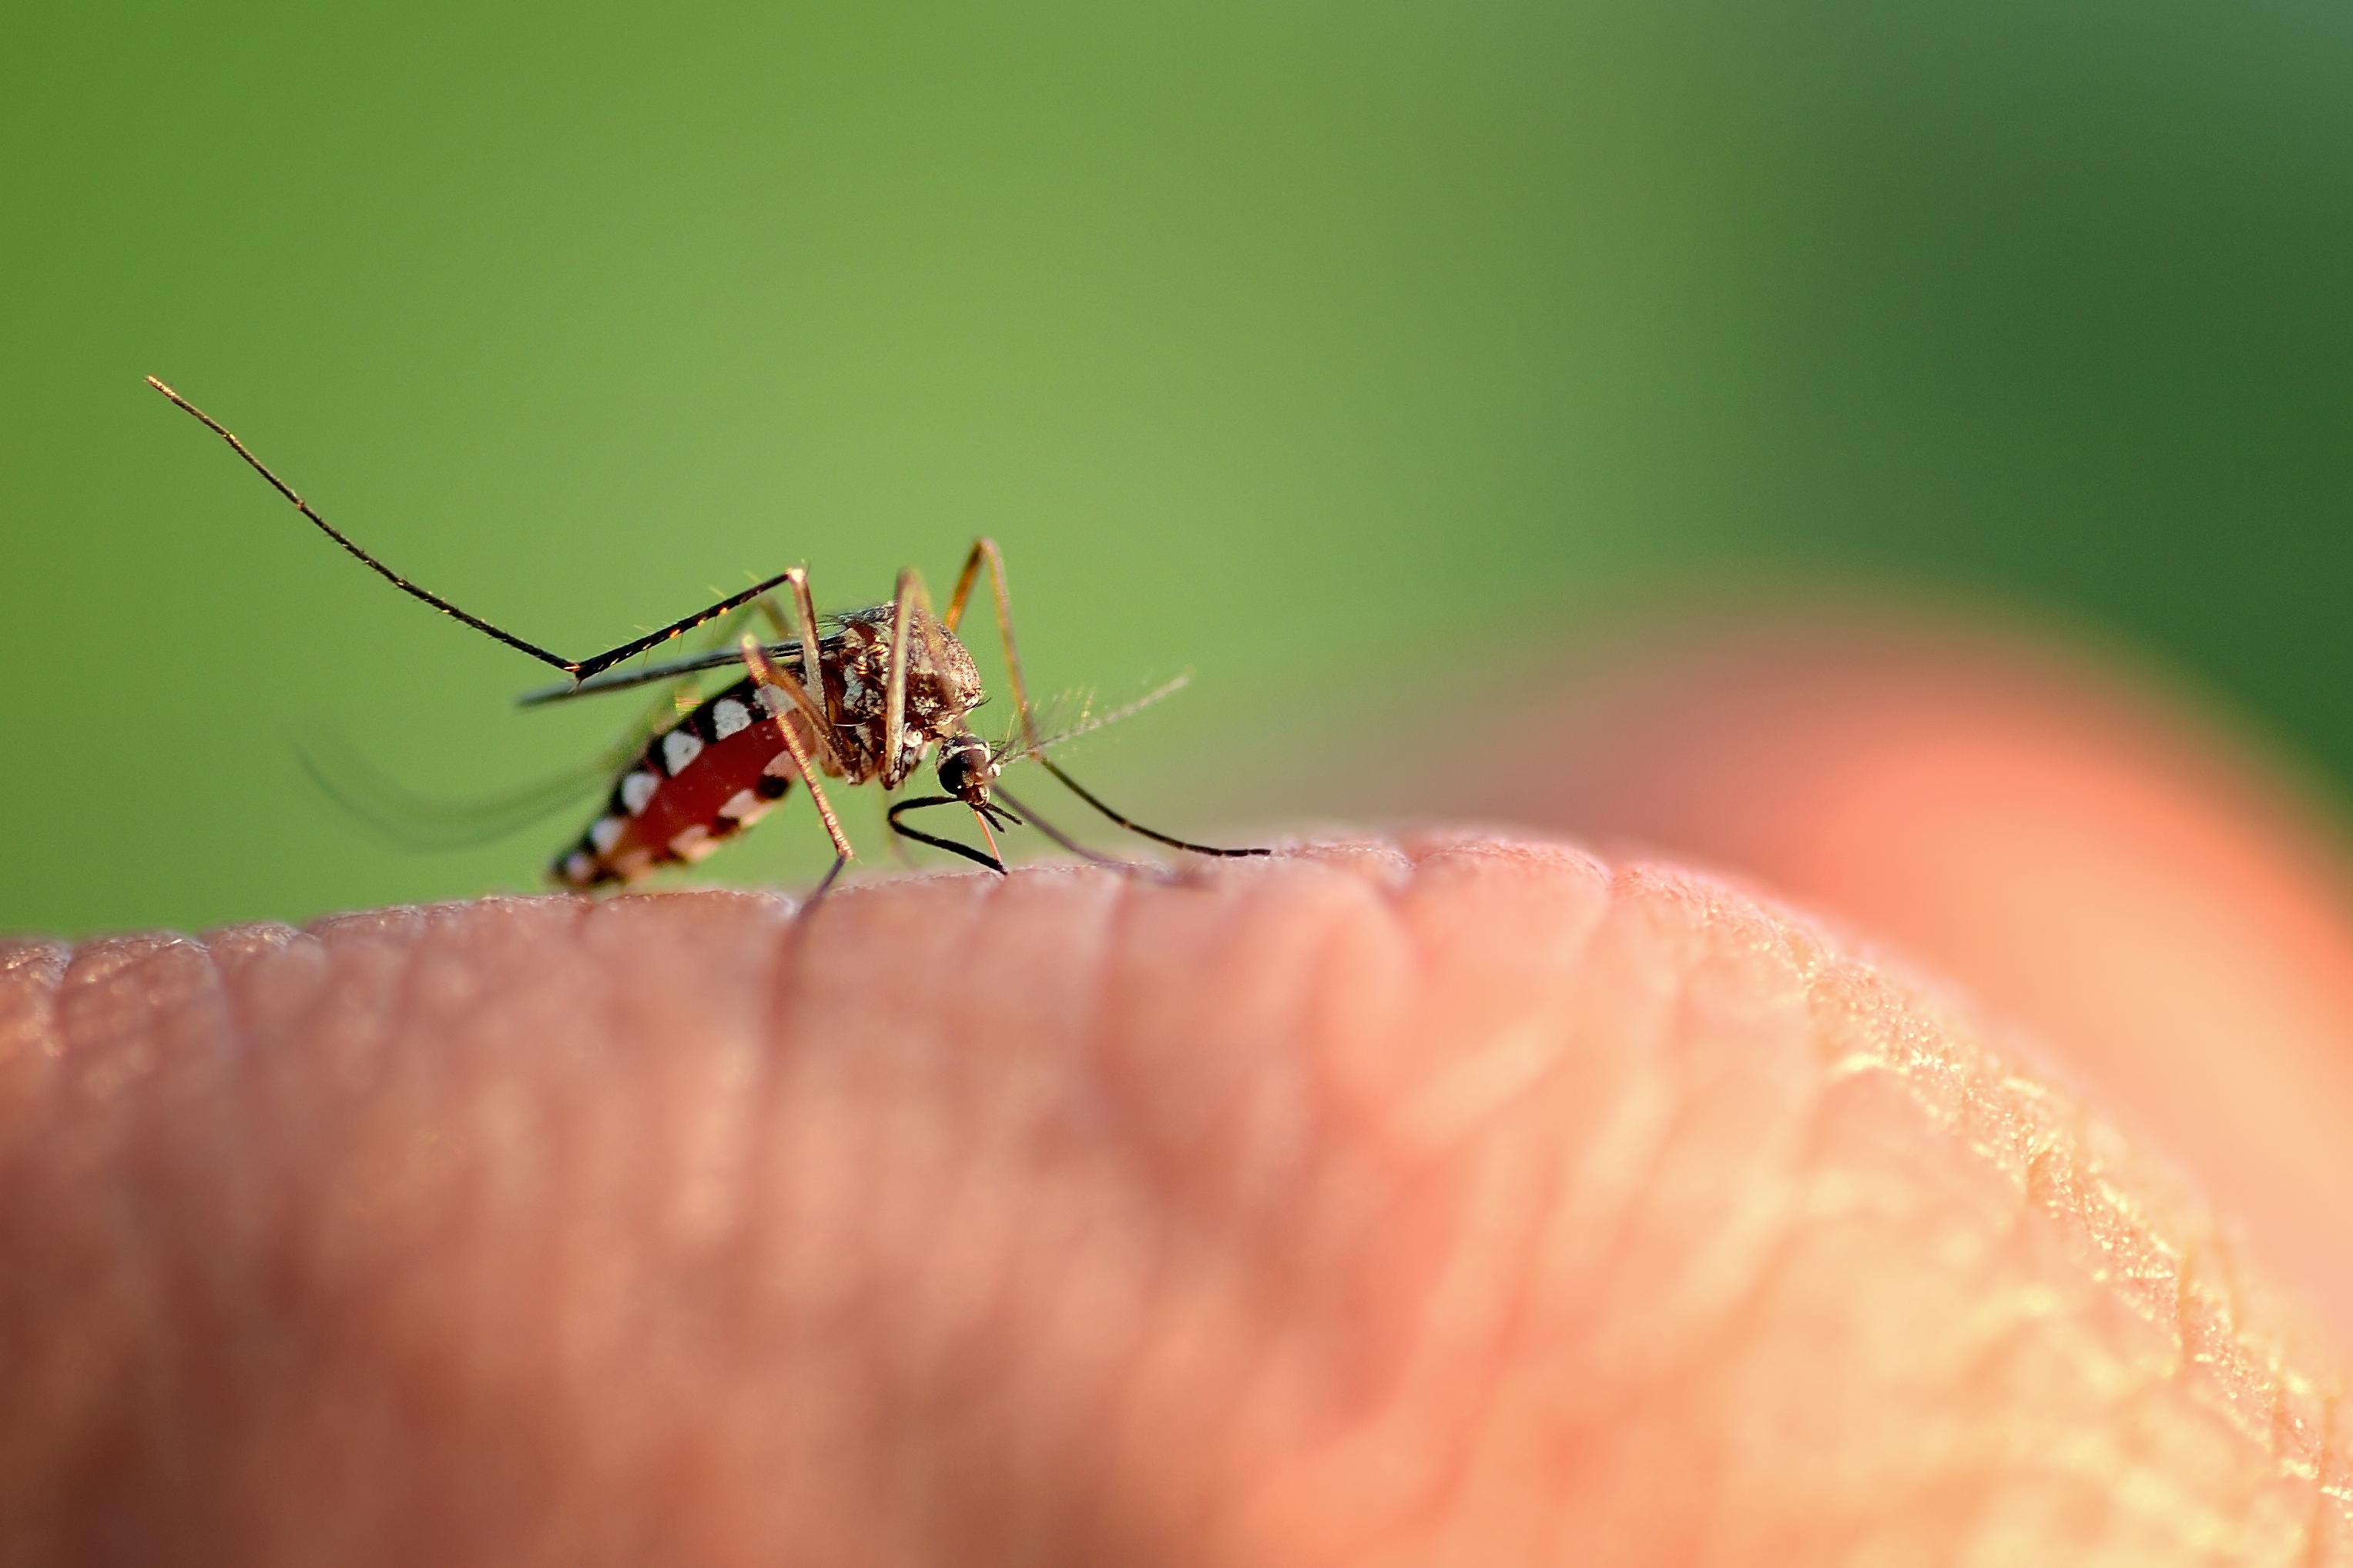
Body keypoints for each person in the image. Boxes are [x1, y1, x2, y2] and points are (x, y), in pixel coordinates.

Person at [4, 618, 2348, 1563]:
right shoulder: (844, 724)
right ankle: (562, 731)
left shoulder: (946, 728)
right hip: (727, 731)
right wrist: (785, 789)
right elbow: (829, 690)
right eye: (959, 742)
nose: (959, 761)